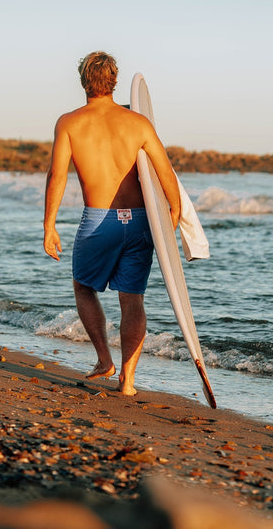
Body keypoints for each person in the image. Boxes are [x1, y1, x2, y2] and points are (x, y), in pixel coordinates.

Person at [43, 51, 180, 395]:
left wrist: (49, 225)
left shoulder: (69, 123)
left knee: (83, 287)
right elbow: (166, 174)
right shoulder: (138, 124)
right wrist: (173, 217)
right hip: (140, 223)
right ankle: (129, 382)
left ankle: (105, 360)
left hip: (98, 221)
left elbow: (57, 174)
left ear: (83, 81)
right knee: (132, 300)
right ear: (114, 82)